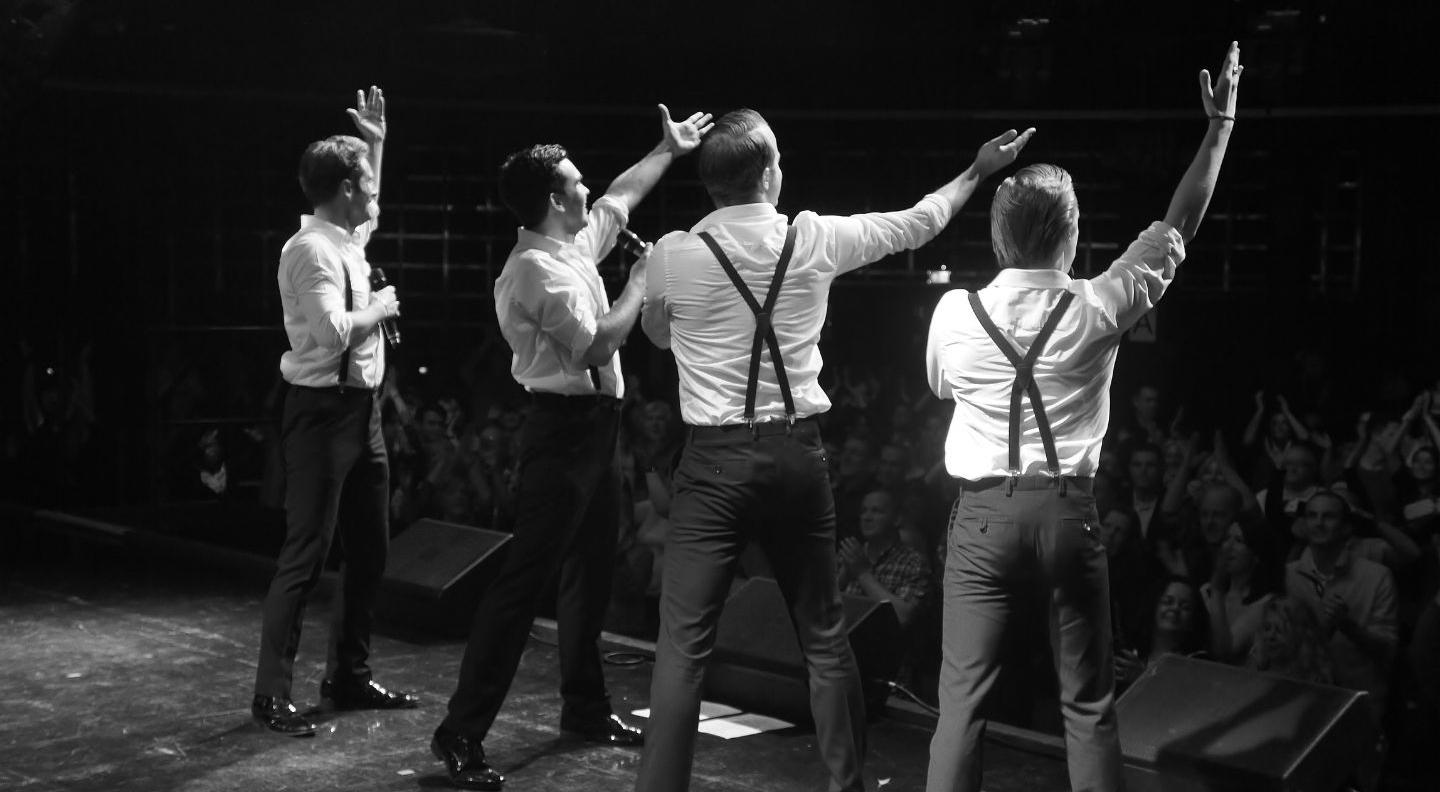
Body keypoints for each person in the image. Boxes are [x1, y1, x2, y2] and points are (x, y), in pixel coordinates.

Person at [635, 107, 1034, 792]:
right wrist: (977, 170)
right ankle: (845, 786)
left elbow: (659, 337)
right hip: (795, 455)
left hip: (714, 462)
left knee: (683, 647)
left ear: (711, 186)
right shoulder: (813, 238)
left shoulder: (672, 254)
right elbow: (920, 221)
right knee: (822, 632)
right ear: (768, 172)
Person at [923, 43, 1241, 792]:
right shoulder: (1100, 303)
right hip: (1068, 513)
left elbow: (941, 388)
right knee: (1089, 704)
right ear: (1071, 237)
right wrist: (1220, 125)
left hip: (981, 519)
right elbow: (1179, 222)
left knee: (960, 704)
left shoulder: (953, 313)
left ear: (998, 239)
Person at [430, 104, 713, 792]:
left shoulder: (568, 245)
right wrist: (642, 282)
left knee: (591, 573)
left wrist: (667, 150)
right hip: (559, 434)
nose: (589, 190)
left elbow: (619, 197)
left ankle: (585, 708)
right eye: (576, 183)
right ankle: (460, 733)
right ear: (556, 200)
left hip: (597, 431)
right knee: (523, 584)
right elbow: (595, 345)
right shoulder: (535, 271)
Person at [252, 86, 418, 737]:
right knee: (306, 554)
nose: (376, 189)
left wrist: (376, 137)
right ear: (346, 188)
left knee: (370, 550)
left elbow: (371, 196)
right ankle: (271, 694)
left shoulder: (347, 237)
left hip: (363, 414)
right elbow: (328, 332)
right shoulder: (312, 251)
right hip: (320, 414)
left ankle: (348, 675)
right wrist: (378, 311)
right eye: (368, 180)